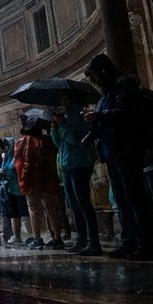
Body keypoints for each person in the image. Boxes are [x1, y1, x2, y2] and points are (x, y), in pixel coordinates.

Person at [83, 53, 153, 260]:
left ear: (104, 71)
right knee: (121, 199)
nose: (94, 81)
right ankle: (129, 241)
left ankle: (146, 243)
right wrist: (91, 132)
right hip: (111, 152)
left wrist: (99, 116)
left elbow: (126, 113)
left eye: (95, 76)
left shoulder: (124, 85)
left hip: (127, 149)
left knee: (136, 196)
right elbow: (103, 121)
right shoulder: (105, 93)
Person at [50, 98, 101, 256]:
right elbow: (60, 144)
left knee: (83, 203)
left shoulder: (78, 114)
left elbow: (74, 140)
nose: (60, 102)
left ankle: (93, 241)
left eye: (62, 98)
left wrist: (63, 124)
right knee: (73, 204)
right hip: (68, 164)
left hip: (80, 163)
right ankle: (81, 239)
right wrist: (54, 129)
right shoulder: (66, 116)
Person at [14, 120, 63, 250]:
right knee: (52, 209)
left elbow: (22, 163)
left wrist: (23, 182)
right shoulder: (48, 140)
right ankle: (57, 238)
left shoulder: (23, 142)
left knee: (34, 210)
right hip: (48, 179)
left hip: (31, 182)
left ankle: (37, 238)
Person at [0, 137, 28, 244]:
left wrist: (2, 172)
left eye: (5, 145)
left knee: (17, 213)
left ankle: (21, 235)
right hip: (8, 188)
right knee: (13, 213)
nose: (4, 148)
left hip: (16, 188)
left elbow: (11, 169)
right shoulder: (6, 156)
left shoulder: (15, 155)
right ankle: (16, 235)